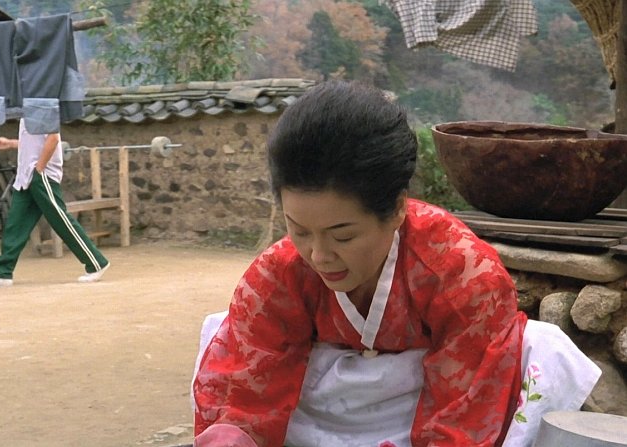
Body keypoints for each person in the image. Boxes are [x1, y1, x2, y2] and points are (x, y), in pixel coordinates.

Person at [191, 80, 600, 447]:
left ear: (397, 209)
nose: (318, 255)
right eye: (298, 230)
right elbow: (244, 398)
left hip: (429, 408)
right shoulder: (279, 273)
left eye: (343, 236)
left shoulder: (462, 272)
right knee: (224, 328)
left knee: (538, 346)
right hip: (316, 420)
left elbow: (465, 411)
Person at [0, 119, 109, 286]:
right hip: (26, 176)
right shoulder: (27, 112)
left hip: (42, 175)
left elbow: (53, 138)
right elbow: (33, 144)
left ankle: (96, 262)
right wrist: (11, 143)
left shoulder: (45, 107)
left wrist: (40, 168)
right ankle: (1, 272)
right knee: (16, 223)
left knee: (60, 219)